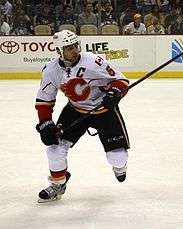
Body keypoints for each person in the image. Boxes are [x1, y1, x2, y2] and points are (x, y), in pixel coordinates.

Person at [35, 30, 130, 203]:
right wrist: (45, 123)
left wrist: (115, 93)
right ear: (59, 51)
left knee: (117, 157)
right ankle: (58, 184)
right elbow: (44, 99)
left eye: (75, 46)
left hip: (103, 110)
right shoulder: (51, 70)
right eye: (69, 48)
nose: (74, 50)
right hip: (76, 110)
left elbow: (121, 81)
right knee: (54, 149)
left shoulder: (94, 61)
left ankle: (120, 166)